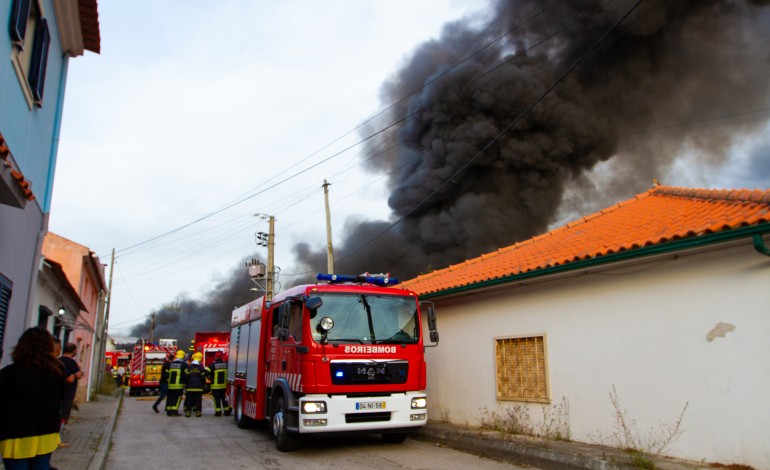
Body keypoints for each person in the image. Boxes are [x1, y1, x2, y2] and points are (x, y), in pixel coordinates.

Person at [0, 327, 67, 469]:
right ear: (48, 347)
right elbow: (62, 399)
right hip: (46, 433)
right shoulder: (57, 373)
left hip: (15, 435)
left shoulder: (8, 374)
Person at [58, 343, 83, 445]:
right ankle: (58, 438)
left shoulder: (58, 360)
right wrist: (80, 368)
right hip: (68, 392)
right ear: (74, 351)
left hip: (57, 392)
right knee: (63, 415)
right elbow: (78, 375)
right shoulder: (72, 362)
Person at [206, 352, 231, 416]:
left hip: (215, 386)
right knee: (224, 399)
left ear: (215, 357)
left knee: (216, 399)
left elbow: (206, 373)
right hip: (224, 386)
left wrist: (210, 378)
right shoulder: (226, 364)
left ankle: (218, 412)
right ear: (221, 357)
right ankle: (226, 411)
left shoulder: (213, 365)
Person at [183, 352, 206, 417]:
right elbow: (203, 378)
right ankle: (198, 413)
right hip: (198, 387)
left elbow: (186, 377)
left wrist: (186, 384)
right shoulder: (201, 367)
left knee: (189, 400)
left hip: (190, 387)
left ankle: (188, 412)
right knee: (198, 400)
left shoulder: (189, 367)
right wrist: (203, 385)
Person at [165, 350, 187, 416]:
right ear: (183, 356)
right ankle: (174, 411)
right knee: (177, 398)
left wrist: (168, 381)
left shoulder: (171, 364)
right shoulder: (184, 364)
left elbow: (166, 373)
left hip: (170, 385)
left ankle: (168, 410)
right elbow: (186, 374)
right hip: (179, 385)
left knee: (170, 397)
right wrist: (185, 383)